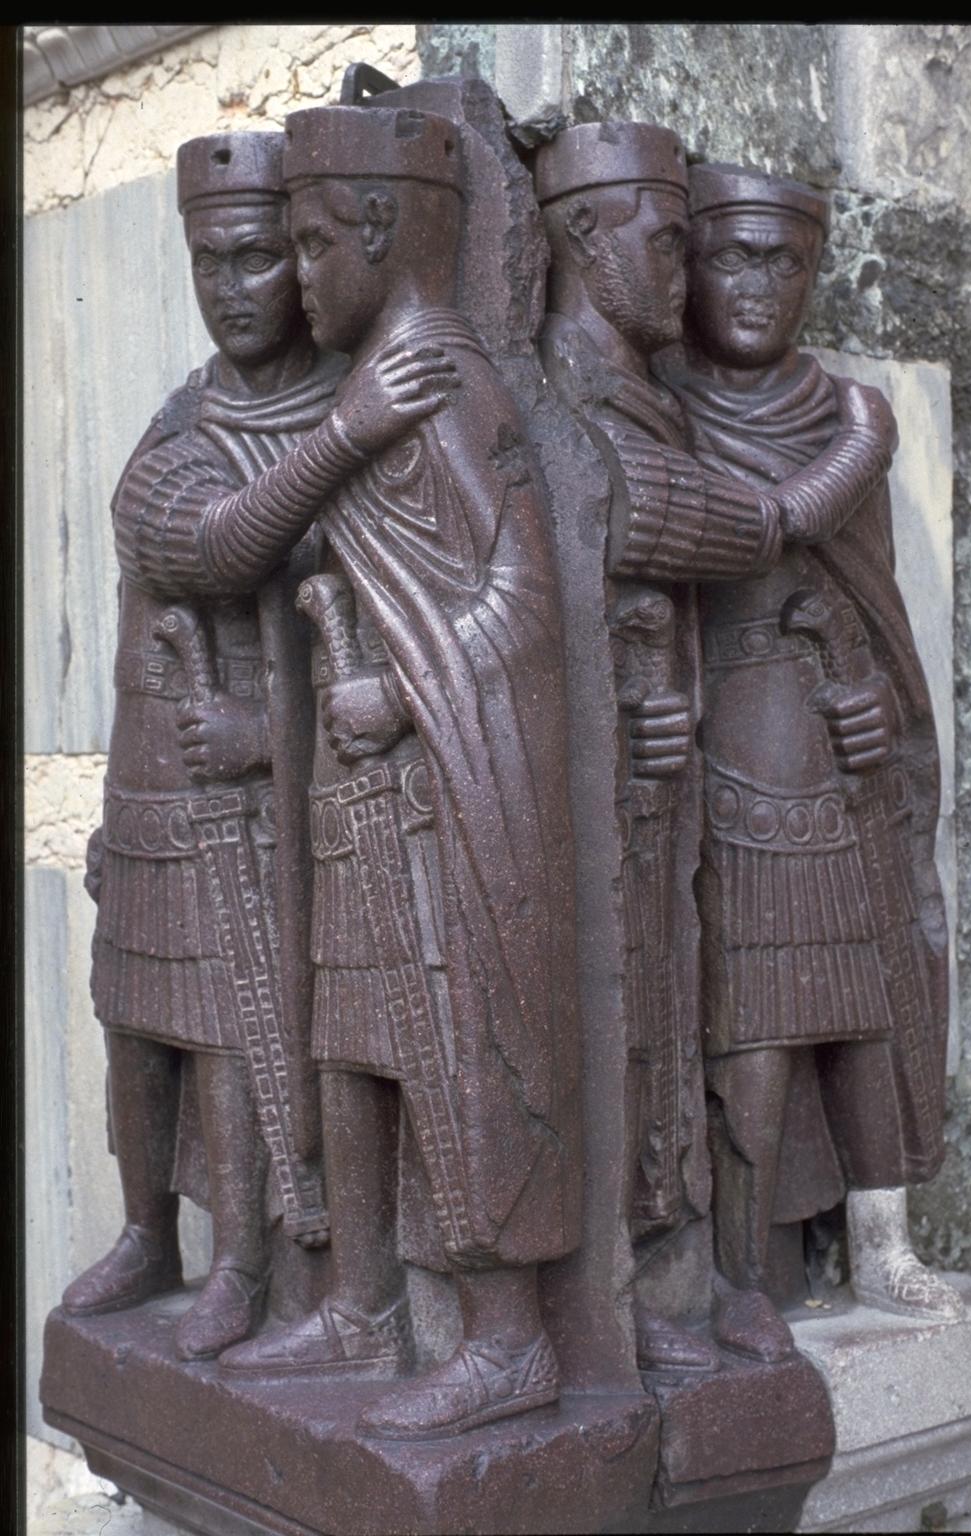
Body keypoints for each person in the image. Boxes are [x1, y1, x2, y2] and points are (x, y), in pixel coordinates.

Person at [161, 102, 584, 1441]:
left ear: (381, 231)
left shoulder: (443, 383)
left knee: (459, 1054)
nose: (292, 278)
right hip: (364, 800)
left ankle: (508, 1341)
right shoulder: (375, 387)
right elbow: (235, 548)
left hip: (442, 794)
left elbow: (522, 597)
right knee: (352, 1055)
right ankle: (359, 1306)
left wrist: (399, 691)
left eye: (306, 244)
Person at [63, 131, 351, 1360]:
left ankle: (242, 1260)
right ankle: (149, 1233)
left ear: (304, 260)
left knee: (233, 1026)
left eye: (257, 257)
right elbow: (198, 549)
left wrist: (272, 731)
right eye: (209, 263)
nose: (232, 288)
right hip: (153, 776)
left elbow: (366, 620)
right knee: (134, 1021)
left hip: (259, 793)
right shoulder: (185, 419)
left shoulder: (343, 413)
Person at [656, 163, 957, 1335]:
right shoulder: (657, 409)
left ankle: (882, 1244)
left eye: (784, 263)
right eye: (730, 257)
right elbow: (672, 565)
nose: (756, 285)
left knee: (870, 1011)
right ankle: (740, 1268)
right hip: (722, 767)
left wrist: (877, 700)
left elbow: (871, 599)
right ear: (686, 266)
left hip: (834, 761)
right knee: (751, 1034)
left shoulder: (841, 412)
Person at [535, 122, 797, 1368]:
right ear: (584, 237)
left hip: (654, 792)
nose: (685, 274)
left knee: (653, 1023)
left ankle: (656, 1279)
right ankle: (614, 1295)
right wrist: (805, 488)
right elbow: (638, 516)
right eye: (668, 243)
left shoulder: (636, 391)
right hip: (586, 792)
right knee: (610, 1027)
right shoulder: (561, 391)